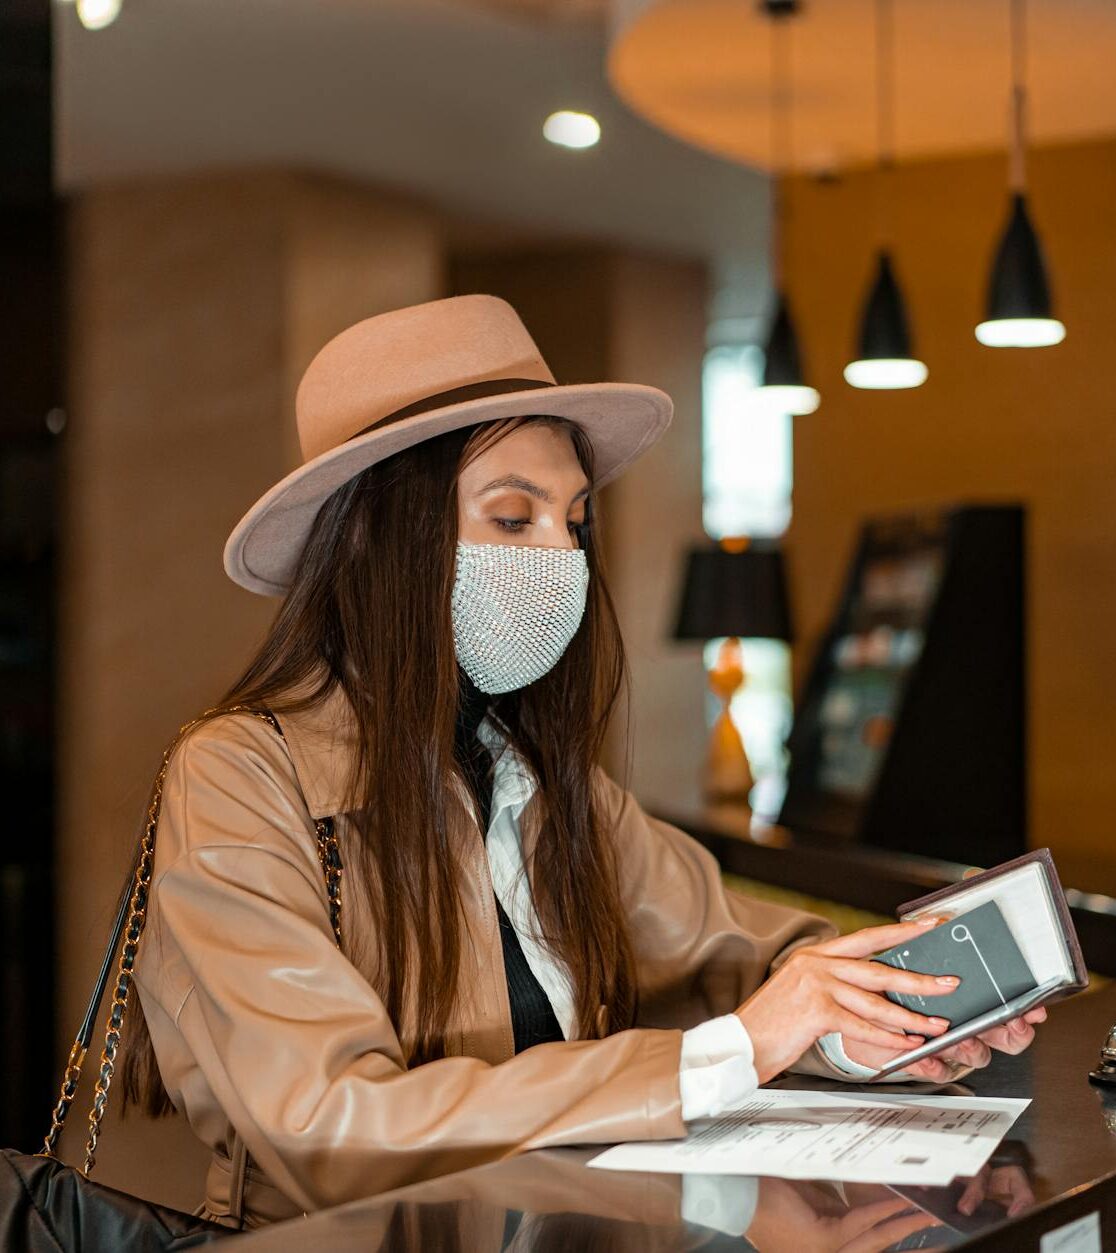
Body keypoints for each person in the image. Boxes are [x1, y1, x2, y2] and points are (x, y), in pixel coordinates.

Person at [122, 295, 1045, 1228]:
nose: (561, 557)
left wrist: (894, 1021)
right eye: (514, 519)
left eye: (573, 521)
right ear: (373, 535)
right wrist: (731, 1051)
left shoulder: (532, 776)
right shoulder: (237, 777)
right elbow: (329, 1126)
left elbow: (738, 955)